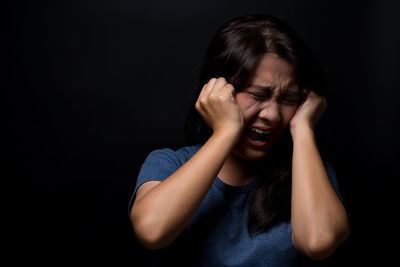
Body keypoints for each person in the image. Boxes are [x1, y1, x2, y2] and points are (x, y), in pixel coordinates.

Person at [128, 14, 350, 266]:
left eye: (289, 99)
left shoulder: (310, 171)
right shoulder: (168, 163)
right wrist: (225, 131)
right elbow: (152, 232)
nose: (272, 115)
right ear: (218, 92)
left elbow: (318, 242)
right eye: (258, 94)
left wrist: (303, 129)